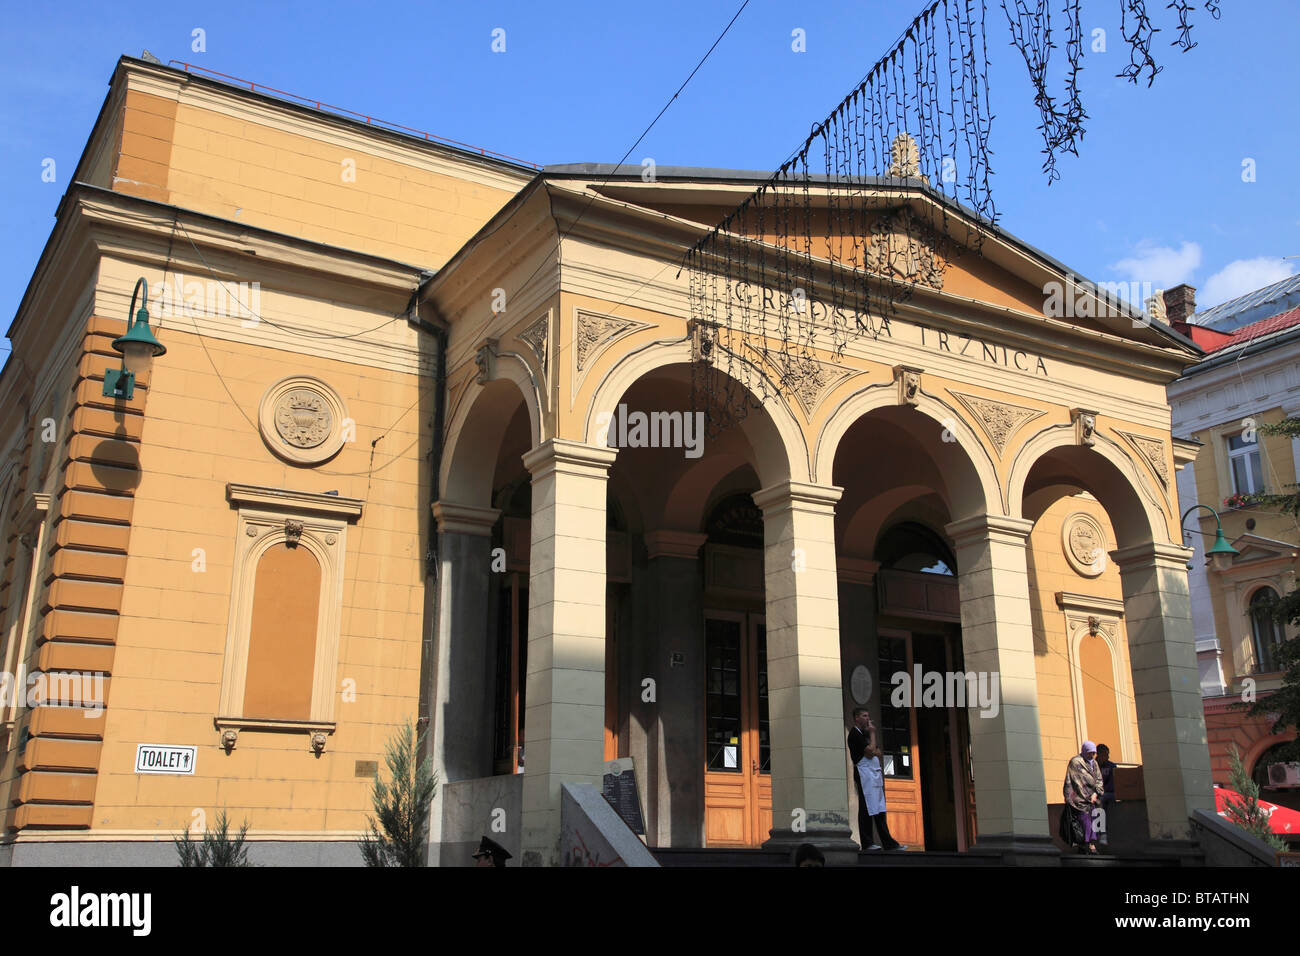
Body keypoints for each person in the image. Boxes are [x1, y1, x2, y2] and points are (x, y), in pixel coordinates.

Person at [847, 707, 901, 851]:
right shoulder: (854, 734)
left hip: (873, 775)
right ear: (857, 718)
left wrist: (872, 743)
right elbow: (871, 752)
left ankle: (889, 843)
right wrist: (872, 733)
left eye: (868, 715)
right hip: (864, 775)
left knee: (879, 808)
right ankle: (867, 842)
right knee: (866, 809)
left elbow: (879, 752)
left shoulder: (864, 734)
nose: (868, 719)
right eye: (865, 716)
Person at [1062, 741, 1104, 854]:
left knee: (1095, 819)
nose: (1091, 755)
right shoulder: (1075, 762)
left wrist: (1096, 793)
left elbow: (1099, 780)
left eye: (1093, 753)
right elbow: (1074, 780)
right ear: (1084, 751)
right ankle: (1085, 844)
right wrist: (1084, 796)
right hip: (1078, 798)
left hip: (1092, 799)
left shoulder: (1094, 763)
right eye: (1089, 753)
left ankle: (1091, 843)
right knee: (1084, 821)